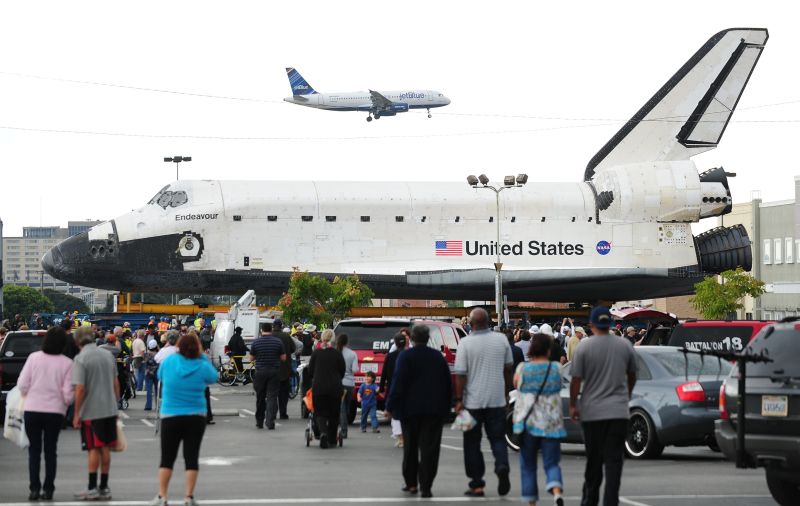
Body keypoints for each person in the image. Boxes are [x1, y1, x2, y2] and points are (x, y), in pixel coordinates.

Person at [569, 307, 637, 506]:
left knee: (594, 460)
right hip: (618, 412)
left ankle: (590, 500)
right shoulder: (625, 345)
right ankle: (610, 501)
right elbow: (632, 375)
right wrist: (627, 395)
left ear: (591, 325)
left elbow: (575, 380)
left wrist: (573, 405)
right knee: (614, 460)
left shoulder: (584, 347)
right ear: (610, 324)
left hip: (592, 413)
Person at [149, 332, 217, 506]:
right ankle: (189, 496)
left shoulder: (170, 362)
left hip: (171, 414)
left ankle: (162, 495)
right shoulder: (201, 364)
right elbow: (214, 377)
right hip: (196, 415)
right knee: (191, 457)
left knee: (167, 457)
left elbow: (160, 376)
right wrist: (201, 356)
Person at [385, 325, 451, 498]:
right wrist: (448, 407)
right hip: (433, 410)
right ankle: (426, 485)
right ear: (428, 338)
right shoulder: (437, 356)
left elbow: (397, 382)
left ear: (412, 338)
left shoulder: (405, 356)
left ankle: (411, 483)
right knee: (430, 449)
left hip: (409, 410)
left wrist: (390, 406)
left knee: (411, 447)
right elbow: (447, 383)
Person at [454, 308, 513, 498]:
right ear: (488, 322)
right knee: (497, 438)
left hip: (472, 401)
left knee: (472, 443)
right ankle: (502, 465)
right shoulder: (501, 340)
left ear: (470, 324)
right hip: (496, 399)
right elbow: (508, 370)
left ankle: (477, 484)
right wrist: (505, 394)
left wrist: (458, 400)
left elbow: (460, 375)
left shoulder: (465, 343)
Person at [17, 327, 74, 500]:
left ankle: (34, 488)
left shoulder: (33, 358)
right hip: (54, 412)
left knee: (33, 450)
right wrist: (63, 403)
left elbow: (22, 384)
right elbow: (68, 394)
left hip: (32, 410)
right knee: (51, 450)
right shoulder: (67, 363)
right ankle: (48, 489)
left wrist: (31, 395)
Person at [513, 334, 566, 506]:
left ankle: (531, 502)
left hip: (528, 424)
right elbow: (560, 385)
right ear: (548, 349)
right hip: (552, 424)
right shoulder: (556, 368)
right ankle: (556, 489)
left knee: (528, 465)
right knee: (552, 463)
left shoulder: (522, 369)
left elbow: (516, 385)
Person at [72, 326, 120, 501]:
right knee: (106, 447)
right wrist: (116, 405)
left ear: (77, 341)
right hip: (109, 409)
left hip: (91, 411)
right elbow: (116, 383)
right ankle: (104, 486)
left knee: (93, 448)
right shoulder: (107, 355)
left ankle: (92, 487)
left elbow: (80, 388)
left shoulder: (81, 358)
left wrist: (76, 413)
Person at [306, 329, 345, 449]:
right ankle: (332, 439)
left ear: (322, 338)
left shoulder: (316, 353)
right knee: (334, 413)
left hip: (319, 387)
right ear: (333, 339)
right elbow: (342, 371)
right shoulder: (337, 354)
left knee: (320, 412)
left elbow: (310, 371)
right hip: (335, 388)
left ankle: (323, 433)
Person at [249, 322, 286, 430]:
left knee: (260, 397)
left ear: (262, 330)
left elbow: (251, 358)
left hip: (260, 372)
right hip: (274, 372)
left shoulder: (256, 342)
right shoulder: (278, 342)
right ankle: (270, 421)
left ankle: (259, 421)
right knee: (272, 397)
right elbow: (283, 358)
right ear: (271, 330)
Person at [380, 333, 406, 447]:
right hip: (408, 389)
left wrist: (381, 387)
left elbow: (384, 373)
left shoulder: (390, 356)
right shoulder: (408, 355)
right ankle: (405, 436)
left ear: (395, 343)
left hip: (392, 388)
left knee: (395, 415)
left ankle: (400, 438)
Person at [272, 320, 296, 420]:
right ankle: (283, 413)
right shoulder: (286, 336)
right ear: (281, 326)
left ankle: (272, 413)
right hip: (284, 369)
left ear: (273, 326)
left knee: (272, 394)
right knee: (283, 393)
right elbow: (293, 348)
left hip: (272, 369)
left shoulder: (270, 336)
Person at [337, 333, 358, 438]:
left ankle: (342, 429)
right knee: (346, 407)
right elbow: (355, 369)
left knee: (341, 407)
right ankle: (344, 429)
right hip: (350, 383)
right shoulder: (352, 354)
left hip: (338, 383)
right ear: (347, 342)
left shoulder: (336, 353)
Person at [143, 340, 159, 411]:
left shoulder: (146, 354)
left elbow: (145, 363)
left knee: (149, 390)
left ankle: (148, 405)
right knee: (157, 390)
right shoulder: (159, 353)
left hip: (148, 373)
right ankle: (158, 405)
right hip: (156, 372)